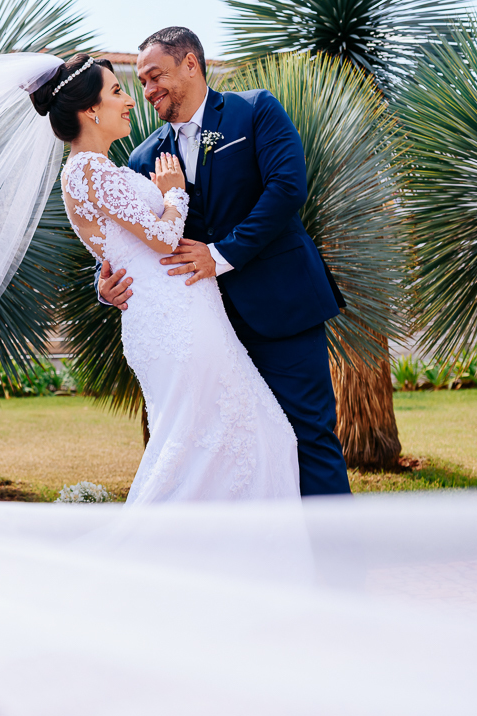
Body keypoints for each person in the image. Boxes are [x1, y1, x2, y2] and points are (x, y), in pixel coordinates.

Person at [31, 54, 299, 502]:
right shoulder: (90, 169)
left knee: (228, 442)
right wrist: (174, 189)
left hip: (181, 316)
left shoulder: (98, 170)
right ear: (90, 111)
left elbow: (119, 244)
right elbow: (160, 235)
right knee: (212, 444)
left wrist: (107, 277)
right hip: (176, 323)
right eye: (117, 91)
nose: (132, 99)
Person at [97, 28, 352, 497]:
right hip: (203, 329)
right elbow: (129, 235)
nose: (148, 90)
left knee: (309, 436)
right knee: (222, 451)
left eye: (156, 77)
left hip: (281, 308)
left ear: (191, 64)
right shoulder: (142, 157)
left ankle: (336, 567)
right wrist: (105, 281)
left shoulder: (254, 111)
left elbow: (287, 188)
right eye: (143, 82)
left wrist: (220, 254)